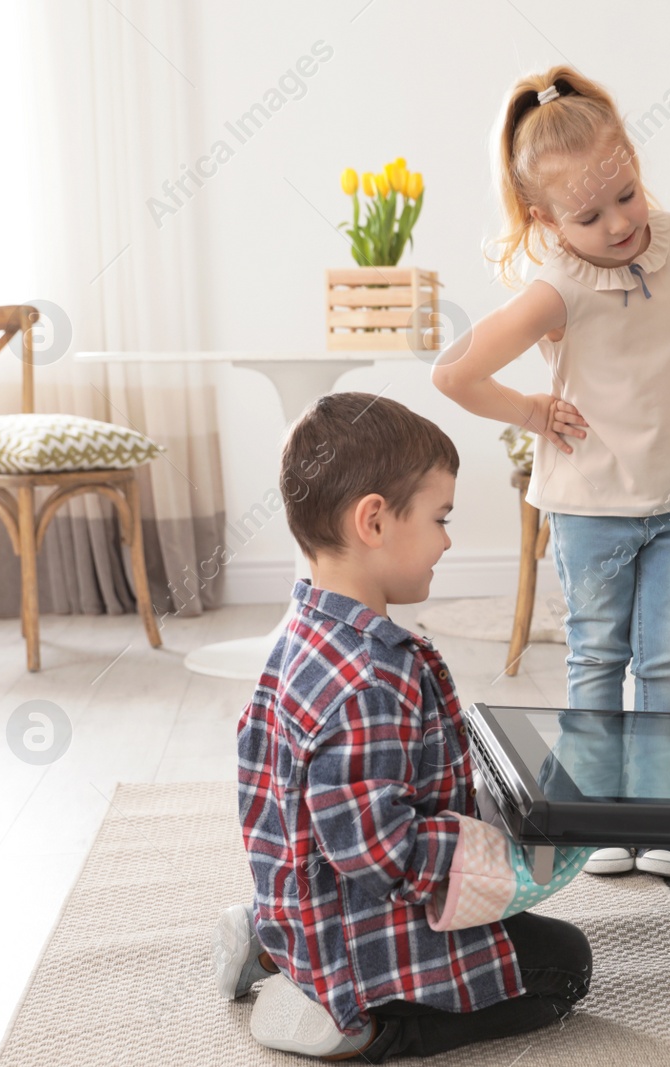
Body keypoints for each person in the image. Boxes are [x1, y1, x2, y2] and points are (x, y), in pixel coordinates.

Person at [432, 66, 670, 881]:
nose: (620, 223)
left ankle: (660, 821)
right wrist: (531, 410)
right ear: (546, 219)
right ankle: (594, 819)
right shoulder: (557, 288)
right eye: (589, 214)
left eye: (625, 194)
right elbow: (455, 373)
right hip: (593, 509)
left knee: (668, 659)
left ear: (632, 167)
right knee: (598, 659)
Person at [213, 393, 592, 1062]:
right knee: (564, 961)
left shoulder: (305, 634)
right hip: (354, 936)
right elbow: (378, 851)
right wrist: (485, 856)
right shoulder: (367, 678)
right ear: (375, 521)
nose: (449, 539)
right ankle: (361, 1026)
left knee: (518, 927)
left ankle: (274, 942)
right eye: (440, 517)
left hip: (303, 904)